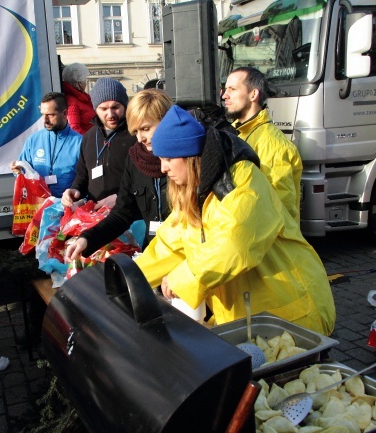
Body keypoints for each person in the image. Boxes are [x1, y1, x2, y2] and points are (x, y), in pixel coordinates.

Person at [134, 105, 335, 336]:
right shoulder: (194, 191)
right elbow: (169, 243)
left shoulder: (242, 179)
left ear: (189, 155)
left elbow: (235, 243)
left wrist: (183, 277)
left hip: (291, 312)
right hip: (249, 318)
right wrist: (129, 277)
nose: (163, 168)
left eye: (168, 158)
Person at [65, 89, 172, 260]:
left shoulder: (188, 160)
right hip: (153, 252)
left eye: (145, 129)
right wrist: (87, 239)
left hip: (185, 258)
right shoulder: (136, 159)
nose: (140, 139)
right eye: (135, 132)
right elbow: (123, 213)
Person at [222, 66, 303, 222]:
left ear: (253, 94)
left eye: (232, 89)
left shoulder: (273, 144)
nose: (224, 95)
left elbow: (279, 208)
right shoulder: (231, 132)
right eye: (225, 89)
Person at [61, 78, 136, 210]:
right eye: (103, 108)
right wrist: (75, 191)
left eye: (115, 107)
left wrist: (122, 198)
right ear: (95, 109)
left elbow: (145, 180)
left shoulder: (135, 135)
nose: (110, 114)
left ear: (125, 106)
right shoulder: (89, 137)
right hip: (96, 215)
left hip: (129, 214)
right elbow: (82, 175)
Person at [10, 92, 82, 198]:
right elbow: (23, 173)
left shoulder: (79, 142)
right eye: (43, 114)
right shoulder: (33, 140)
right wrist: (17, 170)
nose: (45, 120)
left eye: (51, 115)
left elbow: (85, 179)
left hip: (67, 207)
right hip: (38, 205)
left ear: (64, 113)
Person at [62, 63, 96, 135]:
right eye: (85, 80)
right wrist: (90, 141)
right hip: (85, 143)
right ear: (80, 83)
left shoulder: (81, 98)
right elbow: (74, 128)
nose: (85, 83)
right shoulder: (72, 101)